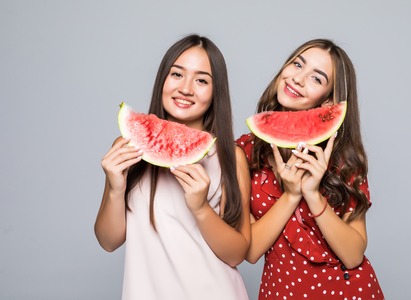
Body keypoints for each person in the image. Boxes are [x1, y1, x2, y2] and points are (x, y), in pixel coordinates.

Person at [95, 34, 251, 300]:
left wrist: (201, 208)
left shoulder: (229, 157)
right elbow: (109, 242)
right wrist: (114, 188)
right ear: (162, 80)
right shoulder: (128, 146)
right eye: (177, 74)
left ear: (216, 93)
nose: (186, 88)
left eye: (201, 80)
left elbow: (237, 253)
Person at [236, 39, 384, 299]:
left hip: (349, 290)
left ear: (329, 102)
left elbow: (353, 256)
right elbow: (250, 251)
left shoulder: (344, 159)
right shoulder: (246, 151)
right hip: (280, 292)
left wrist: (313, 195)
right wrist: (291, 195)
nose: (298, 79)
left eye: (317, 78)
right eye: (297, 64)